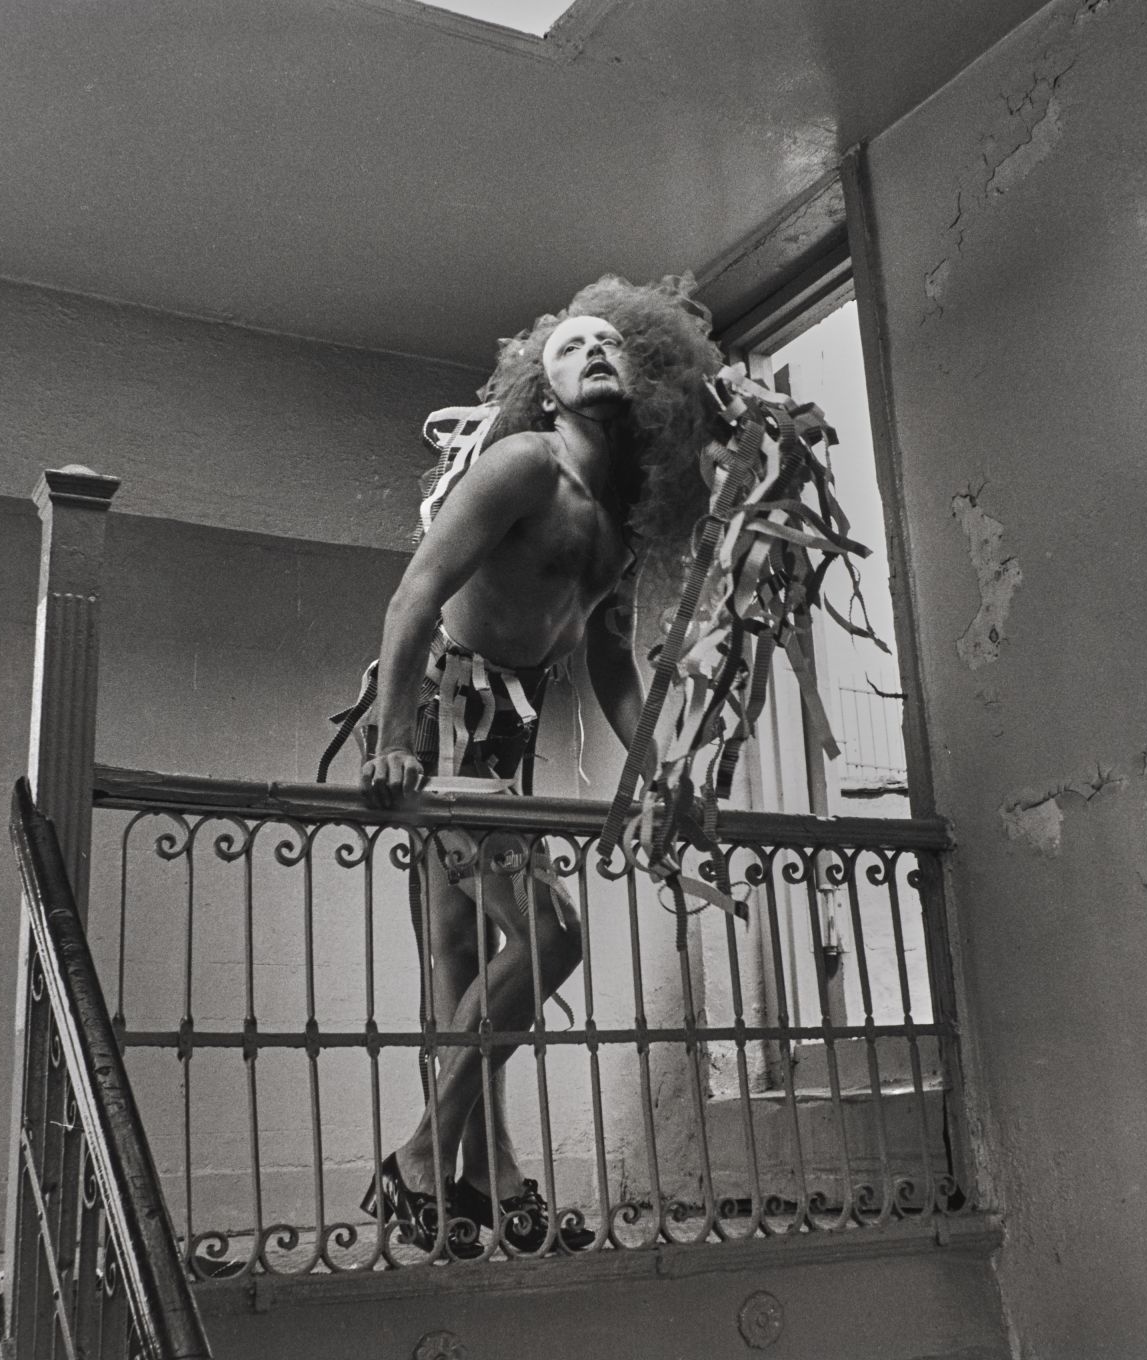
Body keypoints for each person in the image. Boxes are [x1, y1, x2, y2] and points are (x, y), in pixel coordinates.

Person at [356, 276, 722, 1257]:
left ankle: (480, 1175)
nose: (592, 351)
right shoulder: (524, 464)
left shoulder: (619, 517)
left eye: (610, 342)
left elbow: (610, 667)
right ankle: (426, 1155)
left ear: (645, 378)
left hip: (501, 738)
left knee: (466, 963)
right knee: (550, 936)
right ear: (542, 386)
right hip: (442, 716)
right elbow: (414, 595)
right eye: (569, 346)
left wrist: (660, 774)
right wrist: (395, 737)